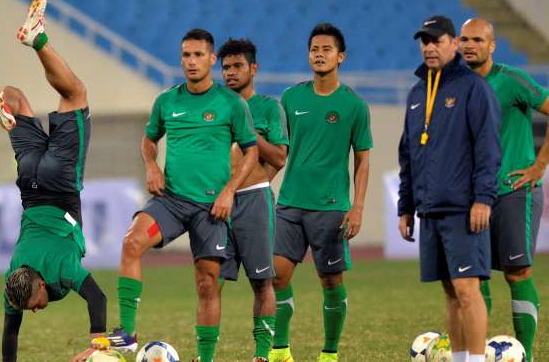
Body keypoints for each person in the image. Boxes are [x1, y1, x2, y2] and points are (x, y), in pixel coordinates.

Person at [91, 29, 259, 362]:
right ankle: (127, 333)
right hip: (172, 201)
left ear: (212, 59)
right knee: (131, 242)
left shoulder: (231, 103)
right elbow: (149, 139)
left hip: (212, 208)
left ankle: (206, 358)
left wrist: (229, 191)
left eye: (198, 55)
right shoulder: (167, 101)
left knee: (207, 285)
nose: (192, 62)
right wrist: (151, 165)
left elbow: (251, 152)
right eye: (186, 55)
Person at [0, 0, 106, 361]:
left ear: (40, 283)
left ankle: (37, 38)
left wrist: (97, 345)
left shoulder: (58, 270)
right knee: (16, 97)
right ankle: (5, 114)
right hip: (29, 182)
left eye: (35, 303)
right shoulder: (14, 279)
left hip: (60, 183)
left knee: (75, 94)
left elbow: (97, 298)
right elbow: (10, 331)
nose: (35, 310)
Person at [460, 18, 549, 362]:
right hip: (472, 197)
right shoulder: (454, 85)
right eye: (464, 39)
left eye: (477, 39)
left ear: (492, 46)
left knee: (517, 272)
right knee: (472, 278)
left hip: (513, 191)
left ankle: (528, 355)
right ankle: (477, 353)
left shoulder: (511, 80)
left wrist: (539, 166)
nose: (469, 45)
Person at [397, 15, 501, 362]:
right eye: (424, 41)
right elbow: (408, 155)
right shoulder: (416, 93)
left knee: (467, 289)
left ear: (454, 44)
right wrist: (405, 207)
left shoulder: (474, 88)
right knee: (450, 292)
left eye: (437, 40)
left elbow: (487, 148)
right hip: (430, 209)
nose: (429, 47)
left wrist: (483, 198)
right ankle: (458, 359)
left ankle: (474, 359)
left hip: (463, 208)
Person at [269, 23, 373, 362]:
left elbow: (362, 160)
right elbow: (278, 149)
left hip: (331, 206)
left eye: (326, 49)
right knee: (277, 274)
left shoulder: (353, 105)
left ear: (340, 57)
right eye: (314, 48)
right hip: (289, 203)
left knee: (330, 280)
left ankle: (329, 353)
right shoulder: (291, 98)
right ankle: (280, 350)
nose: (319, 53)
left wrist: (356, 207)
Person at [217, 38, 289, 362]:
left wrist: (251, 137)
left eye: (237, 66)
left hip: (253, 202)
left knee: (262, 281)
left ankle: (262, 354)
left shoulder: (269, 107)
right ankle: (207, 354)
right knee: (210, 280)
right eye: (226, 68)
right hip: (217, 203)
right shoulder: (215, 105)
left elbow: (279, 156)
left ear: (253, 69)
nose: (230, 73)